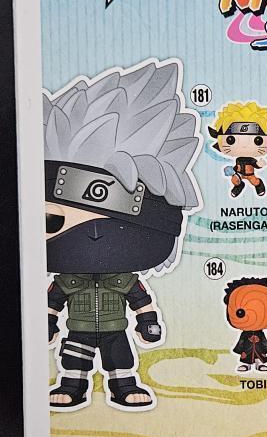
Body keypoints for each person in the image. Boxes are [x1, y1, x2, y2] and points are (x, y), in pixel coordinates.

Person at [44, 59, 202, 410]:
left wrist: (148, 322)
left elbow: (140, 299)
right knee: (74, 360)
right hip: (78, 327)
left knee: (120, 358)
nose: (92, 237)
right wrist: (48, 324)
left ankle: (123, 387)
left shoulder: (124, 278)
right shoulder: (67, 279)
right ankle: (72, 387)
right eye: (53, 220)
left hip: (116, 326)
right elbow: (53, 303)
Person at [208, 101, 267, 198]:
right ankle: (239, 186)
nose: (244, 146)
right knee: (234, 180)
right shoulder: (238, 160)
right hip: (239, 174)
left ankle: (259, 185)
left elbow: (256, 165)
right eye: (230, 140)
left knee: (254, 181)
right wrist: (231, 170)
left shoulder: (251, 160)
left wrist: (260, 164)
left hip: (250, 174)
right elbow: (236, 166)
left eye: (258, 140)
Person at [224, 277, 267, 373]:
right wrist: (239, 349)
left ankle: (260, 363)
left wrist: (266, 348)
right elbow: (241, 342)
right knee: (246, 356)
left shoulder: (261, 333)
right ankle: (246, 364)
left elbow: (264, 342)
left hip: (259, 350)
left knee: (260, 355)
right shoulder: (244, 334)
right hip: (246, 350)